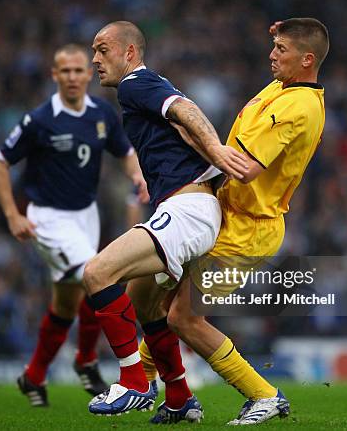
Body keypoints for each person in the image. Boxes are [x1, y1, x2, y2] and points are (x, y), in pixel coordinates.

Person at [137, 17, 330, 425]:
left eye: (282, 50)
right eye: (275, 47)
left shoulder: (299, 107)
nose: (272, 55)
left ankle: (264, 394)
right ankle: (147, 385)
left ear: (307, 59)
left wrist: (187, 140)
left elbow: (244, 168)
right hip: (226, 212)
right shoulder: (284, 87)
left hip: (249, 229)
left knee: (183, 317)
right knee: (160, 294)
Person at [85, 21, 249, 418]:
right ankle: (179, 399)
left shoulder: (134, 84)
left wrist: (215, 148)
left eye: (103, 49)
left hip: (187, 211)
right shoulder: (148, 89)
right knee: (146, 305)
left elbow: (185, 110)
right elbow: (180, 122)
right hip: (184, 209)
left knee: (97, 274)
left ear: (130, 53)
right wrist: (210, 157)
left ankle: (133, 382)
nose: (94, 59)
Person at [0, 44, 148, 407]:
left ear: (89, 74)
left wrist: (137, 176)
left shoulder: (101, 113)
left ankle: (33, 377)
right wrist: (13, 215)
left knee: (65, 305)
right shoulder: (40, 120)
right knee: (99, 278)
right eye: (66, 72)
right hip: (49, 219)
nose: (73, 77)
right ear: (54, 75)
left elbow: (125, 152)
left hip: (85, 216)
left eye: (79, 71)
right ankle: (89, 361)